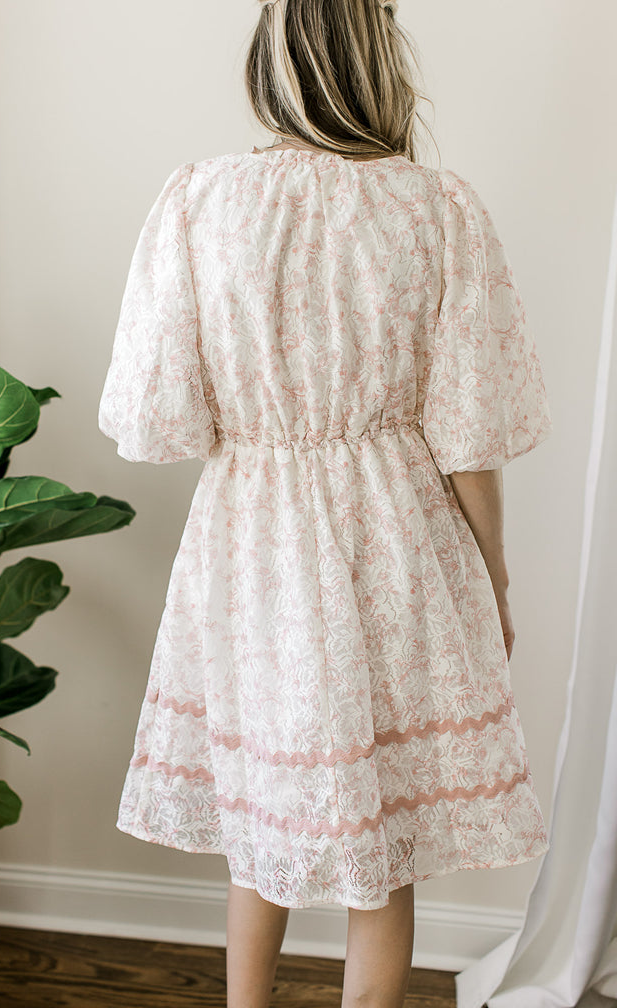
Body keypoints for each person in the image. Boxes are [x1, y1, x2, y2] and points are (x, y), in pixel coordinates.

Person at [98, 0, 552, 1004]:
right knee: (380, 851)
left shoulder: (197, 201)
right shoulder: (434, 207)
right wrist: (494, 575)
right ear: (379, 62)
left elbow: (159, 418)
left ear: (273, 63)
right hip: (393, 538)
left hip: (248, 541)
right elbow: (469, 434)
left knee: (259, 829)